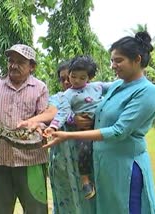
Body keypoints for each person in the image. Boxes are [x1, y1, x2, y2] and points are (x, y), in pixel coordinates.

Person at [45, 31, 155, 214]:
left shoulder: (147, 92)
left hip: (125, 169)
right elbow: (78, 95)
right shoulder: (116, 86)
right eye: (112, 61)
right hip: (102, 166)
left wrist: (68, 135)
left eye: (118, 60)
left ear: (137, 59)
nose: (113, 65)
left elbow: (118, 131)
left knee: (127, 208)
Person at [0, 44, 49, 214]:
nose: (13, 65)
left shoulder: (40, 88)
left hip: (31, 161)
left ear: (32, 66)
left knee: (36, 209)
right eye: (11, 61)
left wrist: (38, 126)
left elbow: (45, 118)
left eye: (21, 62)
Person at [18, 61, 95, 214]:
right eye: (62, 79)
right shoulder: (57, 98)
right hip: (62, 160)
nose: (67, 82)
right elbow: (52, 115)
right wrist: (37, 124)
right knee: (65, 201)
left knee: (89, 201)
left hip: (86, 159)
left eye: (69, 77)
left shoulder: (93, 96)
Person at [44, 56, 111, 200]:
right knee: (84, 150)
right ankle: (85, 180)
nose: (73, 81)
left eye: (81, 78)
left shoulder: (97, 87)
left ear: (89, 77)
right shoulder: (64, 96)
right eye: (70, 77)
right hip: (76, 141)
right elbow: (61, 112)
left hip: (100, 129)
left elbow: (116, 87)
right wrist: (54, 127)